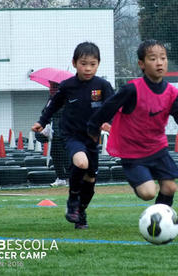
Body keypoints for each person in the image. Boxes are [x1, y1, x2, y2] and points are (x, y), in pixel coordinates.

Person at [87, 39, 178, 208]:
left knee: (170, 187)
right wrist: (93, 128)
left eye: (163, 58)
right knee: (148, 193)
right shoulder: (132, 89)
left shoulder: (171, 92)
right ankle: (139, 183)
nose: (159, 63)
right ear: (141, 64)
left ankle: (160, 221)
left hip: (158, 148)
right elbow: (108, 108)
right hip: (133, 152)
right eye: (153, 58)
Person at [31, 42, 114, 229]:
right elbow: (53, 105)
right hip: (72, 136)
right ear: (75, 63)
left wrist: (111, 123)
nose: (88, 68)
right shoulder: (67, 86)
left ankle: (80, 212)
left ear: (98, 64)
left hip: (92, 138)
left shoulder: (103, 85)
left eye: (92, 64)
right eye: (84, 63)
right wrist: (41, 122)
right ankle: (72, 201)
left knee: (91, 179)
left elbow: (112, 107)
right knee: (81, 163)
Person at [35, 81, 70, 187]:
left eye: (53, 87)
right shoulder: (51, 98)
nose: (50, 89)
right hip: (52, 131)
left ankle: (70, 177)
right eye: (50, 87)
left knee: (65, 155)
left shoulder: (64, 97)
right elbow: (45, 111)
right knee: (55, 155)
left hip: (62, 131)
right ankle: (61, 177)